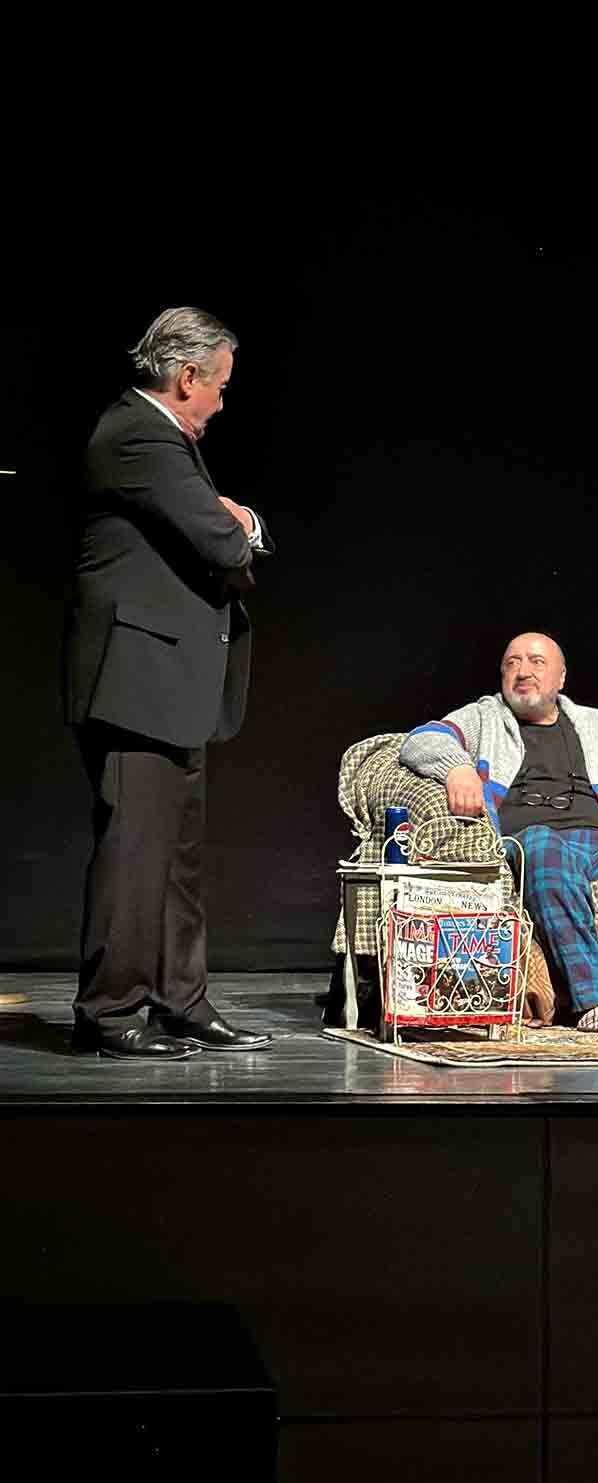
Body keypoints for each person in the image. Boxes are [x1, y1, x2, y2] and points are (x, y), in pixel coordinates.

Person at [64, 307, 275, 1059]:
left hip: (169, 683)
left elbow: (216, 538)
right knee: (134, 854)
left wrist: (233, 524)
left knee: (176, 861)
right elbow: (219, 540)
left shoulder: (161, 438)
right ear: (188, 377)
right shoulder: (141, 436)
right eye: (220, 385)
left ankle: (180, 1001)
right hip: (135, 681)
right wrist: (242, 523)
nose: (221, 401)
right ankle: (110, 1011)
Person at [399, 632, 598, 1032]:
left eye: (536, 662)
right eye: (513, 662)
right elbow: (421, 740)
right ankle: (595, 997)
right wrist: (457, 768)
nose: (523, 671)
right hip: (531, 844)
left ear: (561, 677)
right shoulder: (484, 716)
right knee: (543, 842)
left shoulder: (592, 723)